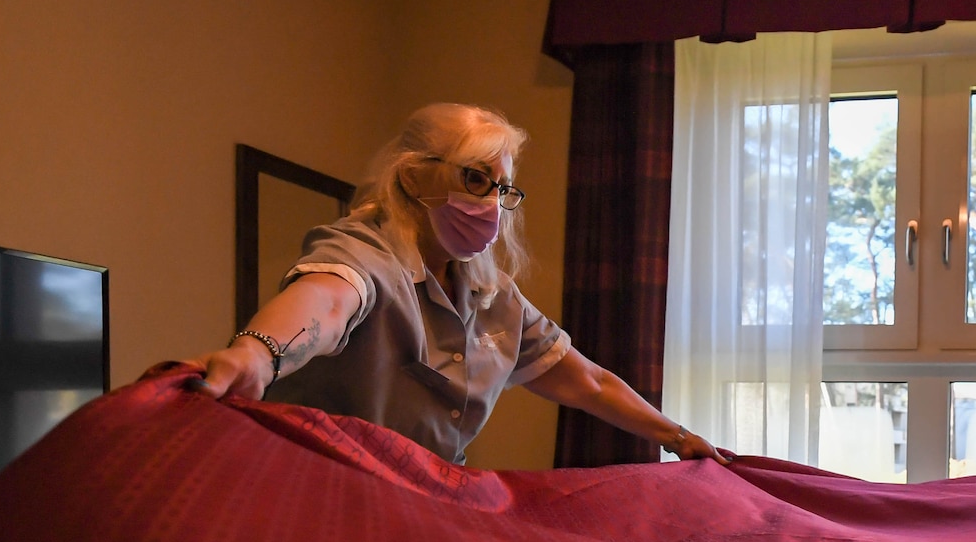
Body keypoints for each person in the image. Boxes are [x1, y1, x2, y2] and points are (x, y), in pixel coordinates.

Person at [183, 103, 723, 465]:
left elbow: (589, 382)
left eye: (502, 188)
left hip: (427, 501)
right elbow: (325, 299)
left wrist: (677, 438)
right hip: (321, 500)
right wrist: (260, 353)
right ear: (413, 176)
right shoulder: (366, 254)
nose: (491, 204)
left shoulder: (494, 295)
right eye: (474, 179)